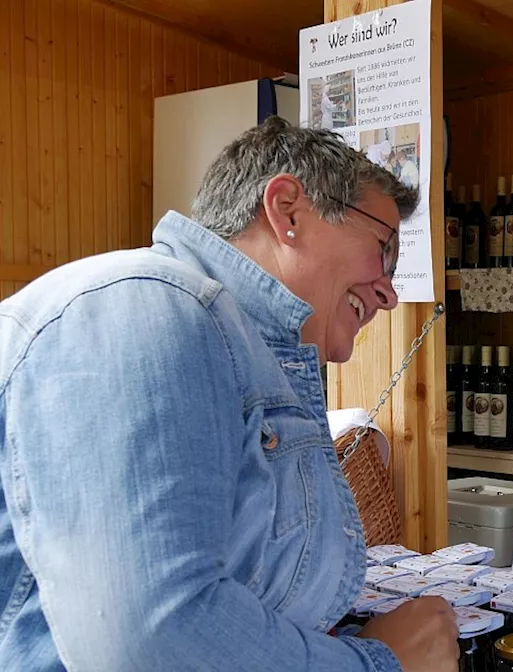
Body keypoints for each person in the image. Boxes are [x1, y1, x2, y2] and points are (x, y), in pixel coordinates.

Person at [0, 116, 458, 671]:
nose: (388, 292)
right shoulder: (147, 307)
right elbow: (152, 639)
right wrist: (381, 664)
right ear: (287, 210)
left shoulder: (237, 344)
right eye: (384, 250)